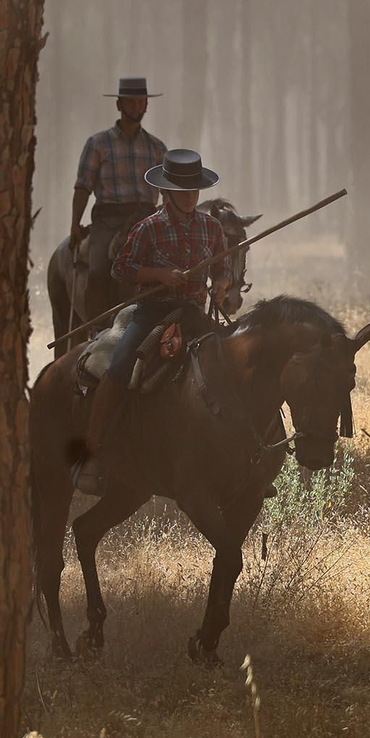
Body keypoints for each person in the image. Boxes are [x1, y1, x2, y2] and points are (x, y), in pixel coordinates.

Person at [73, 149, 232, 491]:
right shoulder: (149, 228)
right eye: (183, 191)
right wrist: (158, 274)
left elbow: (222, 267)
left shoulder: (212, 228)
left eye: (194, 190)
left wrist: (221, 284)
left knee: (228, 361)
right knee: (118, 368)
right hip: (153, 313)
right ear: (166, 193)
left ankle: (237, 453)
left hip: (193, 314)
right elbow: (121, 268)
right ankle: (92, 449)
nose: (190, 197)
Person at [71, 76, 170, 320]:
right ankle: (96, 324)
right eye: (131, 102)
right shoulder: (98, 144)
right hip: (109, 218)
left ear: (146, 105)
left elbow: (167, 190)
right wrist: (75, 223)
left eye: (141, 102)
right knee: (98, 272)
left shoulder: (157, 147)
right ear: (119, 105)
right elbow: (83, 186)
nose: (137, 107)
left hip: (147, 218)